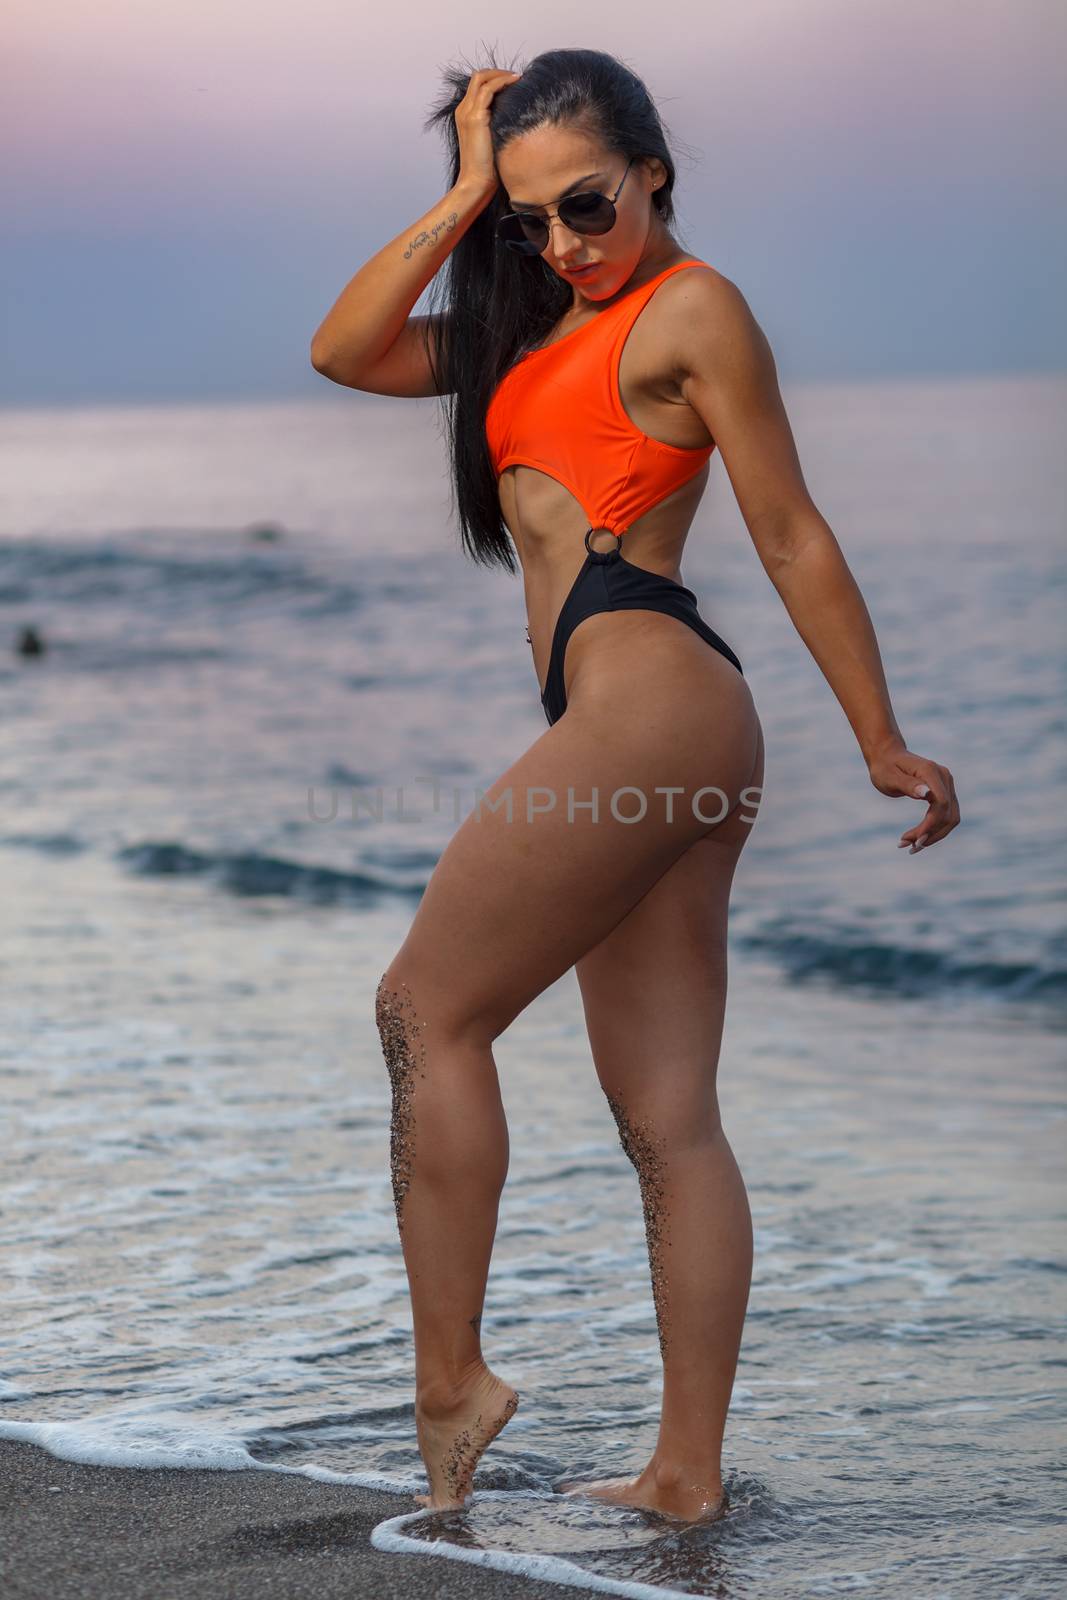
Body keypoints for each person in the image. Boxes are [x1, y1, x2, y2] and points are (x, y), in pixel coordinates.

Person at [310, 48, 960, 1525]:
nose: (563, 244)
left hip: (652, 699)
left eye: (587, 205)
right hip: (662, 724)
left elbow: (789, 529)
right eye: (529, 223)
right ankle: (683, 1477)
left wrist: (879, 735)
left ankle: (450, 1380)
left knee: (425, 1009)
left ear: (655, 170)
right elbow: (345, 349)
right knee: (669, 1117)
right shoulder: (526, 329)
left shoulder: (693, 308)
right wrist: (472, 188)